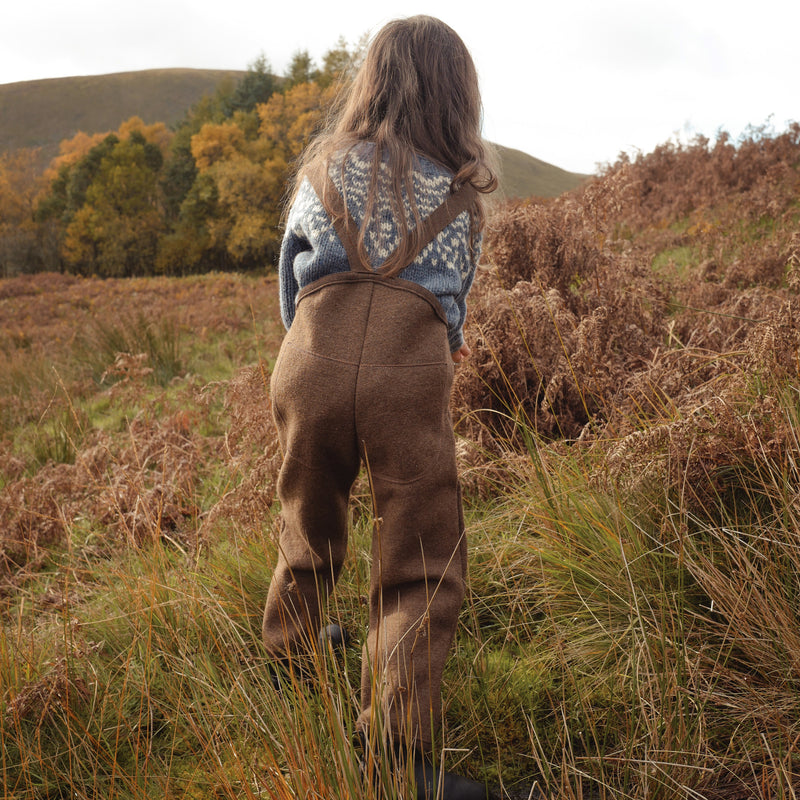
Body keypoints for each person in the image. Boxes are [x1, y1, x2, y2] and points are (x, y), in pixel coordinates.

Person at [261, 15, 497, 799]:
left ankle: (289, 663)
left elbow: (291, 283)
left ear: (371, 80)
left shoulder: (323, 166)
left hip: (311, 360)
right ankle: (392, 751)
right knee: (419, 559)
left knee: (309, 520)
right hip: (407, 371)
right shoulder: (462, 198)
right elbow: (453, 314)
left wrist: (316, 353)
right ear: (457, 97)